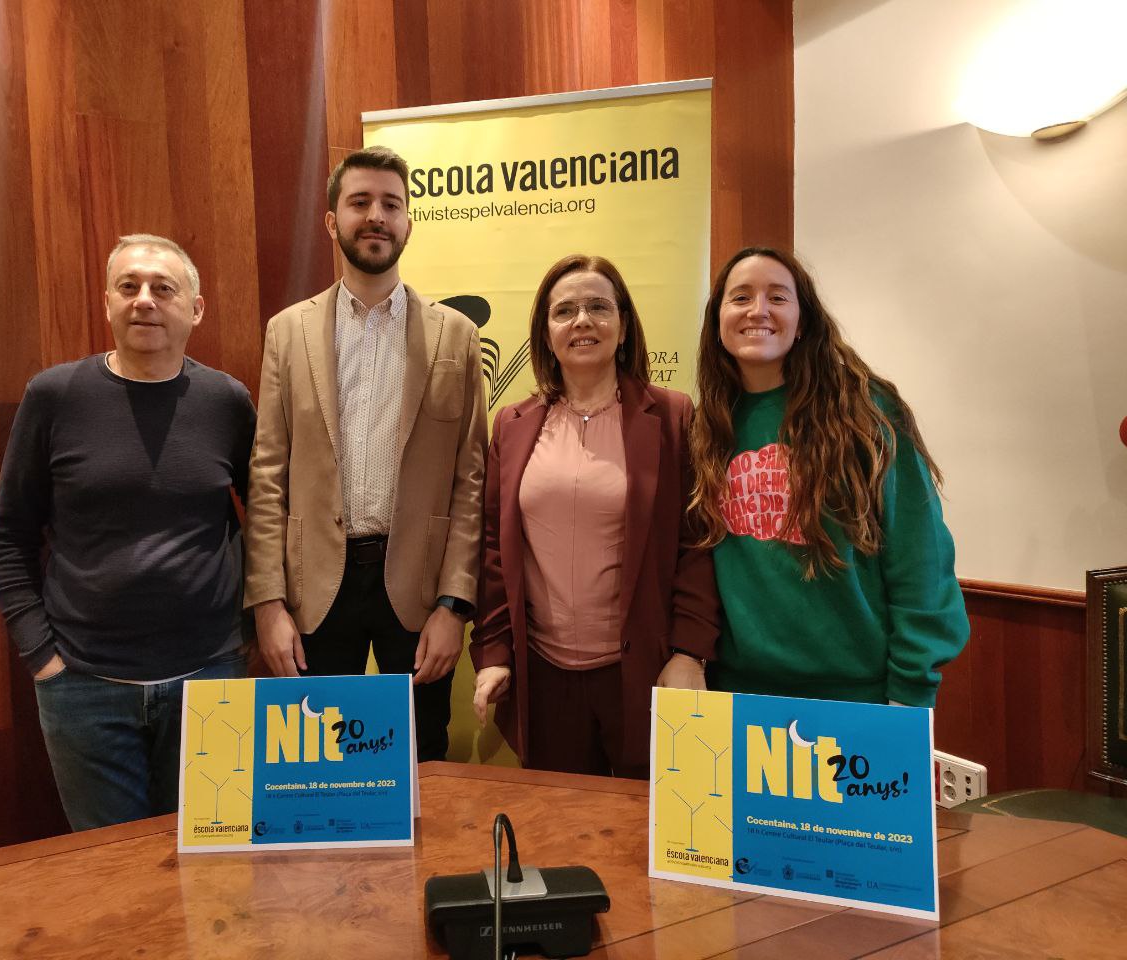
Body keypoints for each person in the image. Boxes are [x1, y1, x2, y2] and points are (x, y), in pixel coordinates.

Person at [0, 233, 255, 830]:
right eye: (128, 286)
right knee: (110, 871)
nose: (145, 300)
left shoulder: (226, 401)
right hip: (83, 688)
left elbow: (266, 520)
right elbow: (8, 537)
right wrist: (42, 658)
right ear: (106, 301)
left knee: (219, 863)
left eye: (164, 288)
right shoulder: (54, 397)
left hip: (211, 681)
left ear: (196, 309)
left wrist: (251, 631)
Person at [244, 146, 487, 763]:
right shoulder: (288, 332)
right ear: (332, 221)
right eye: (360, 202)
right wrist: (267, 604)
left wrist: (454, 606)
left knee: (425, 756)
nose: (376, 216)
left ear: (408, 222)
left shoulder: (456, 335)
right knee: (319, 761)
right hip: (314, 588)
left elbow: (470, 478)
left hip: (418, 584)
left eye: (391, 204)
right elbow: (267, 475)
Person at [470, 254, 722, 779]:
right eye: (565, 311)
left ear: (623, 326)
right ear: (546, 333)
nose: (582, 320)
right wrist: (494, 652)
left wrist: (689, 651)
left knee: (641, 822)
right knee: (560, 822)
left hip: (643, 674)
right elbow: (494, 550)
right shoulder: (512, 425)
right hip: (543, 679)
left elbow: (696, 543)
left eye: (598, 307)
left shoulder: (673, 417)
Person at [689, 246, 969, 706]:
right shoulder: (709, 425)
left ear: (803, 320)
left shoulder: (865, 411)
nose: (758, 310)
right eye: (740, 297)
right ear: (717, 321)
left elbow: (919, 551)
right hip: (736, 692)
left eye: (778, 297)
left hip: (860, 697)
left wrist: (910, 687)